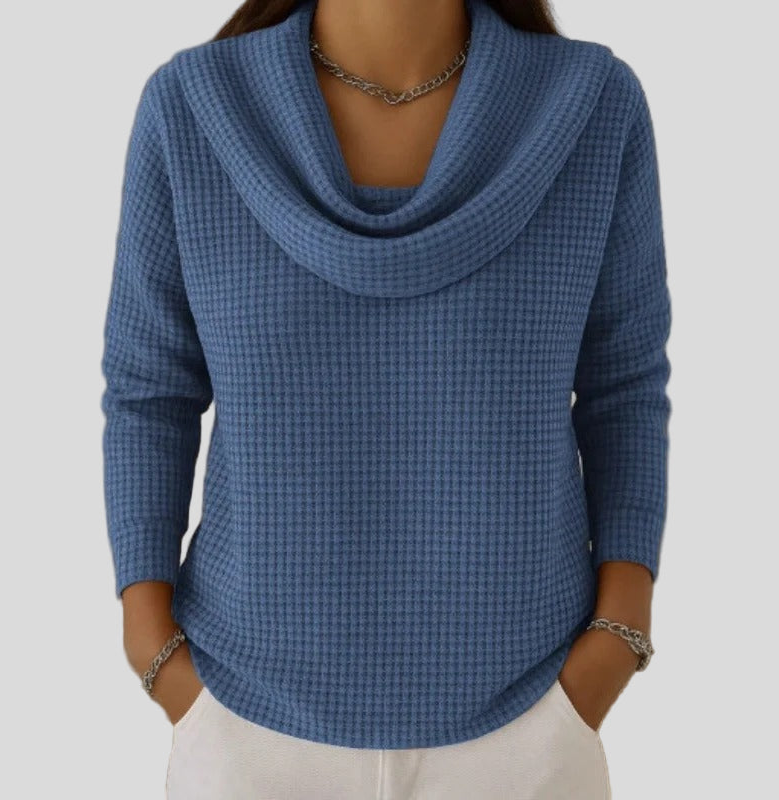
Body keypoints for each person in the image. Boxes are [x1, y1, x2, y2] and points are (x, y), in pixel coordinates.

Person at [100, 0, 671, 797]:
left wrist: (617, 635)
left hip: (530, 724)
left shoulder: (591, 107)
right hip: (244, 725)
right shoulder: (193, 109)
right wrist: (154, 648)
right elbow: (150, 390)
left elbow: (623, 385)